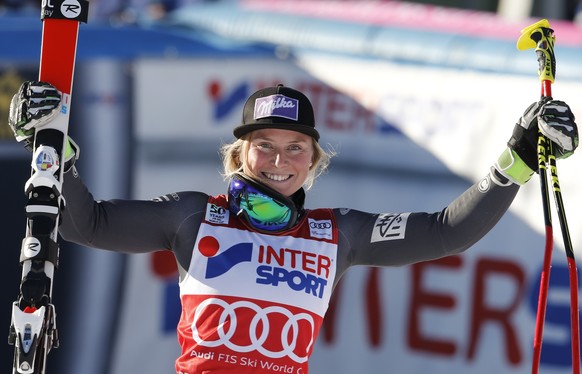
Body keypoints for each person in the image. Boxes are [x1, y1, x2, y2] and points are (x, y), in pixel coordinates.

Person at [9, 81, 579, 374]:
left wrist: (516, 163)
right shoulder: (192, 215)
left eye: (294, 148)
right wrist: (52, 149)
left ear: (314, 159)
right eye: (264, 146)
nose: (279, 160)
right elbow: (89, 224)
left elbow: (445, 231)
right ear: (240, 154)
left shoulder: (339, 234)